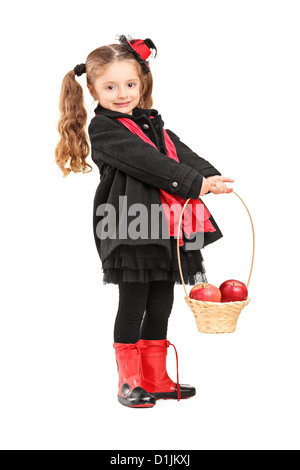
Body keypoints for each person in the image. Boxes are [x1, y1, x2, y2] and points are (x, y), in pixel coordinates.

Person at [55, 34, 234, 408]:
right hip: (131, 225)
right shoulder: (105, 130)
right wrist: (191, 183)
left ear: (143, 83)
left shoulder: (152, 124)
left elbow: (179, 153)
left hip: (165, 225)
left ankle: (156, 377)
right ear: (92, 89)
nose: (122, 93)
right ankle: (128, 382)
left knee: (161, 303)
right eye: (110, 86)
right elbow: (148, 162)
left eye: (130, 84)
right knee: (133, 302)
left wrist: (209, 177)